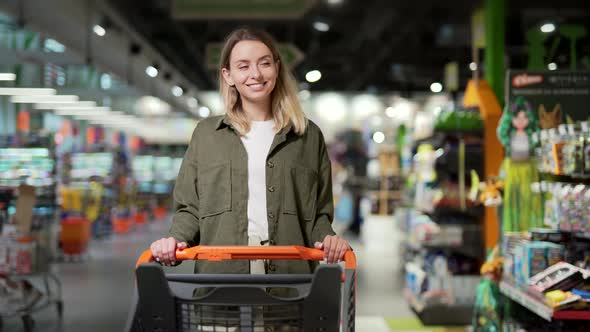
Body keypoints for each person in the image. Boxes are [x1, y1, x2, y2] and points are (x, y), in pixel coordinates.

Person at [149, 28, 350, 278]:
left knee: (286, 319)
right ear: (228, 75)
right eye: (243, 66)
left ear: (276, 68)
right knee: (223, 320)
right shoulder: (207, 135)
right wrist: (174, 240)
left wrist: (329, 239)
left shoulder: (308, 136)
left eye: (264, 63)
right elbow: (190, 209)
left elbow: (317, 213)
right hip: (222, 281)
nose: (255, 74)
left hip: (291, 280)